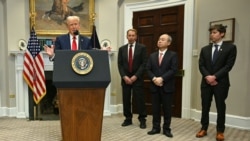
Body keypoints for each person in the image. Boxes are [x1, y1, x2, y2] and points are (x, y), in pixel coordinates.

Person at [196, 24, 237, 141]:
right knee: (205, 106)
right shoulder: (205, 49)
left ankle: (220, 131)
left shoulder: (230, 48)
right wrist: (208, 77)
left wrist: (215, 77)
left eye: (214, 32)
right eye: (211, 33)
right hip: (206, 83)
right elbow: (201, 65)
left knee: (220, 106)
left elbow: (228, 66)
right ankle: (203, 128)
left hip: (221, 83)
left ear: (222, 34)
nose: (211, 35)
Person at [146, 34, 178, 138]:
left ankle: (166, 129)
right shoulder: (152, 55)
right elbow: (148, 69)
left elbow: (173, 70)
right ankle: (155, 128)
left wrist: (162, 78)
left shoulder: (173, 55)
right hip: (154, 86)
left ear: (168, 43)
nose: (160, 41)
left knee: (167, 109)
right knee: (155, 109)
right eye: (159, 39)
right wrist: (154, 79)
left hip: (167, 86)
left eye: (163, 40)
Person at [118, 29, 147, 129]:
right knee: (126, 100)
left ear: (136, 37)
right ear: (127, 37)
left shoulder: (142, 48)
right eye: (129, 35)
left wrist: (136, 76)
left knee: (139, 99)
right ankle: (128, 119)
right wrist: (124, 76)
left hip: (137, 78)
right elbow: (120, 64)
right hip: (125, 79)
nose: (131, 37)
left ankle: (142, 119)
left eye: (133, 35)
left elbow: (144, 64)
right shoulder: (122, 49)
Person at [44, 16, 110, 59]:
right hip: (66, 71)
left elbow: (91, 55)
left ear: (79, 26)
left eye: (75, 24)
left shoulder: (86, 40)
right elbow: (57, 58)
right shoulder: (60, 40)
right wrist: (52, 55)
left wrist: (102, 52)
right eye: (71, 25)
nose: (74, 27)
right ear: (67, 27)